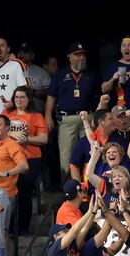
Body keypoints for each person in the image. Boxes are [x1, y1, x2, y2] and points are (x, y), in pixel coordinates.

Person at [46, 42, 99, 180]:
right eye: (77, 55)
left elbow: (98, 96)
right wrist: (47, 116)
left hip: (88, 117)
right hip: (67, 119)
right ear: (69, 56)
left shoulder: (90, 75)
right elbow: (51, 96)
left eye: (82, 55)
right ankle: (69, 188)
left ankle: (88, 185)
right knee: (66, 154)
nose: (81, 58)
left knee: (89, 151)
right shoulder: (60, 75)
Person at [3, 86, 48, 233]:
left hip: (30, 158)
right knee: (7, 194)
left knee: (24, 193)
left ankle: (23, 228)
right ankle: (7, 228)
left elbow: (43, 138)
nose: (19, 100)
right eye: (16, 97)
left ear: (29, 99)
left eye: (22, 97)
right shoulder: (6, 114)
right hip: (8, 158)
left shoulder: (36, 116)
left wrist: (27, 140)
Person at [0, 37, 27, 117]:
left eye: (2, 45)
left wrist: (14, 102)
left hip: (14, 113)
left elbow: (25, 89)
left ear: (8, 49)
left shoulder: (16, 65)